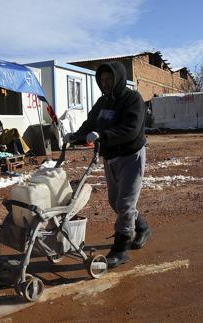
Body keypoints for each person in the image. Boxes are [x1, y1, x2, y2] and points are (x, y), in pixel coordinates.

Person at [65, 61, 150, 269]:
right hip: (110, 157)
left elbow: (130, 129)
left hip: (132, 156)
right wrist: (75, 136)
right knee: (115, 201)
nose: (105, 83)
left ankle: (120, 249)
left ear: (118, 78)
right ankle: (142, 227)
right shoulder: (102, 102)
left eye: (108, 79)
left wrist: (103, 135)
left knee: (125, 204)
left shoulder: (133, 99)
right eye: (101, 80)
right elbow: (90, 124)